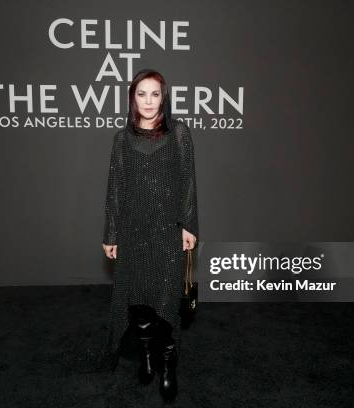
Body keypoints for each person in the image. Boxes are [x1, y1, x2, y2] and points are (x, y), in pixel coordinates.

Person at [99, 68, 199, 403]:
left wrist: (189, 226)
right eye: (141, 94)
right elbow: (115, 190)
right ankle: (145, 357)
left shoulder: (179, 133)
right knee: (140, 304)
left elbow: (187, 183)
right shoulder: (121, 138)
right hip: (132, 232)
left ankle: (168, 366)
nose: (148, 101)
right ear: (132, 98)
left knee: (167, 304)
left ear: (164, 97)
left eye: (155, 94)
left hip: (166, 233)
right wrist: (111, 233)